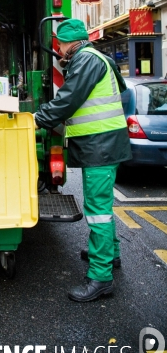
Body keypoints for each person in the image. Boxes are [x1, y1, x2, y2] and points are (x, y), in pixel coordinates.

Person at [34, 19, 132, 303]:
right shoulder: (100, 57)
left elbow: (69, 99)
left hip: (99, 145)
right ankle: (110, 255)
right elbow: (121, 88)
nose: (60, 50)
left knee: (98, 209)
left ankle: (100, 277)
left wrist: (37, 120)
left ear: (69, 42)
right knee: (103, 205)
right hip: (106, 143)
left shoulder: (85, 61)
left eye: (61, 45)